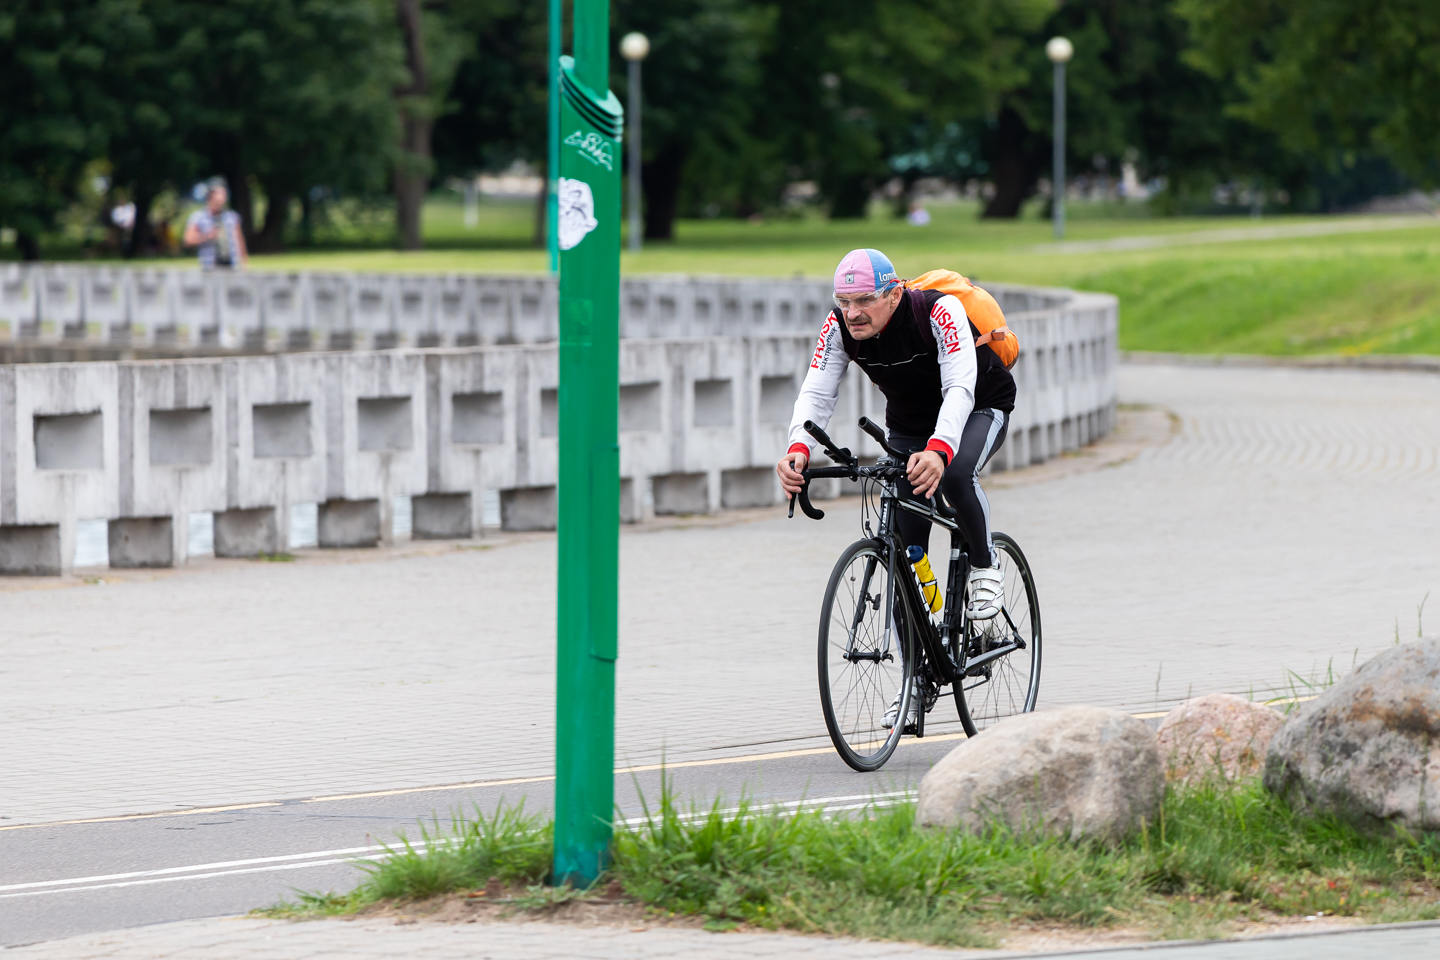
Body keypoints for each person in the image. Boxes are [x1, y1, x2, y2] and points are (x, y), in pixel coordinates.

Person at [775, 248, 1017, 729]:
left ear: (894, 292)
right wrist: (798, 448)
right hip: (908, 425)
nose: (853, 312)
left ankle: (985, 569)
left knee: (954, 475)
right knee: (906, 554)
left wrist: (941, 448)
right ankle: (915, 683)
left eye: (864, 299)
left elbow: (960, 389)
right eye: (843, 301)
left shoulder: (936, 311)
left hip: (977, 408)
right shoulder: (840, 326)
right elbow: (818, 389)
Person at [183, 180, 247, 269]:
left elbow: (239, 241)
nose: (223, 197)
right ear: (211, 195)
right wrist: (207, 237)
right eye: (220, 194)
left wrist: (244, 263)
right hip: (209, 266)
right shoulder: (198, 217)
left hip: (232, 266)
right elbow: (188, 240)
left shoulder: (232, 217)